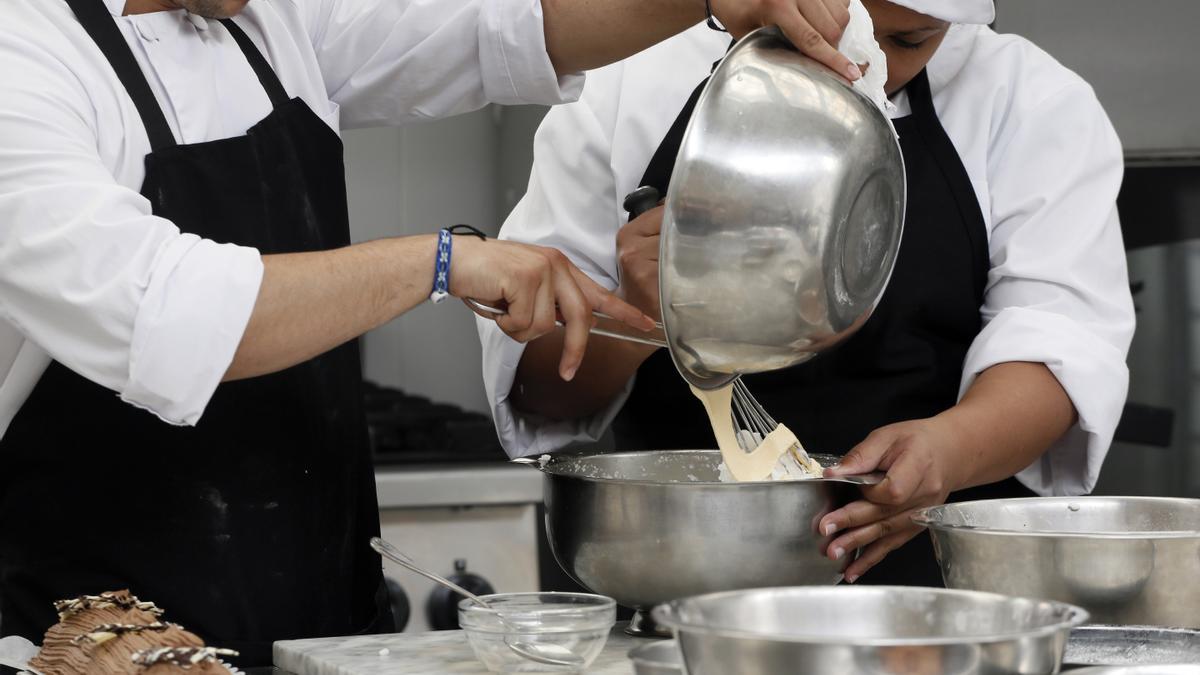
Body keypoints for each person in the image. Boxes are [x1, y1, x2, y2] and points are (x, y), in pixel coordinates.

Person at [0, 0, 852, 664]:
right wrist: (439, 263)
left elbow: (507, 26)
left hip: (319, 625)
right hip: (93, 638)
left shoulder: (269, 23)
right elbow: (161, 313)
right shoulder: (25, 55)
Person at [479, 0, 1135, 587]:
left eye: (906, 41)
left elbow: (1060, 345)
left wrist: (952, 450)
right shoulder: (627, 76)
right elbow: (543, 388)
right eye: (833, 25)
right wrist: (644, 314)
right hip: (685, 582)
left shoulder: (1029, 101)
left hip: (938, 600)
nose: (863, 64)